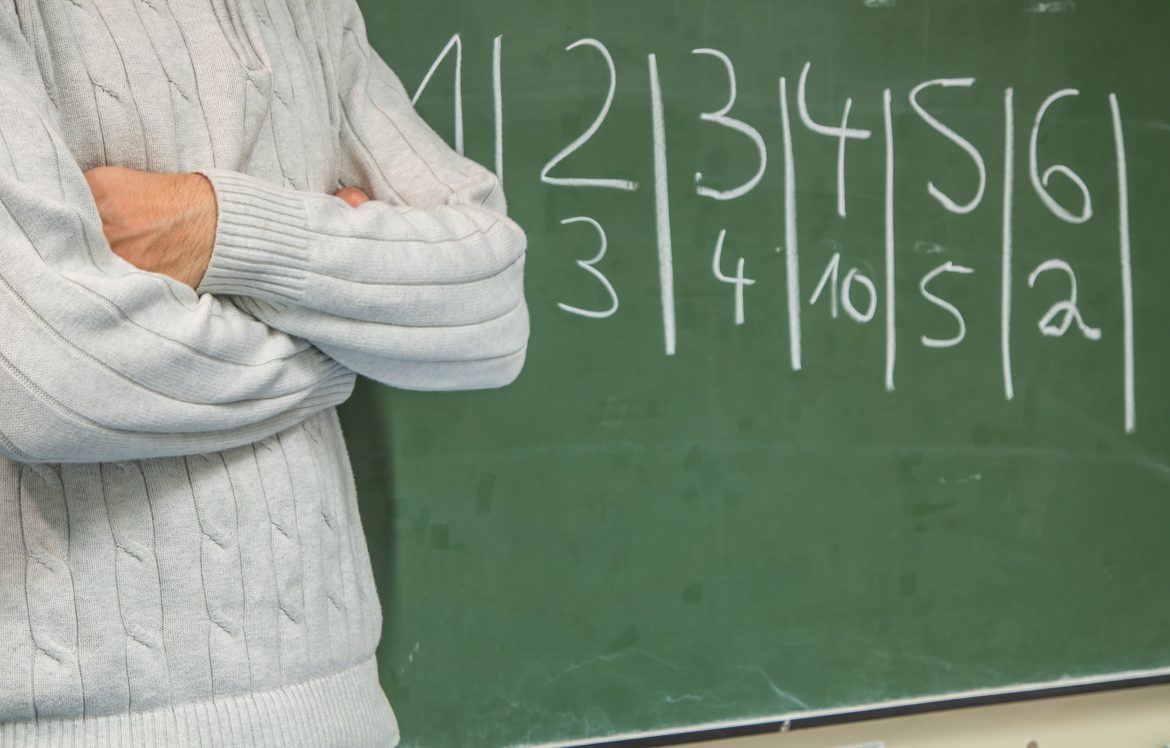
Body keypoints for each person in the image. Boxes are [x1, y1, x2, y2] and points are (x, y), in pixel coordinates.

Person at [0, 0, 528, 745]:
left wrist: (223, 229)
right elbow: (48, 381)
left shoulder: (311, 8)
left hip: (347, 705)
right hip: (79, 726)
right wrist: (344, 341)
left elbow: (492, 307)